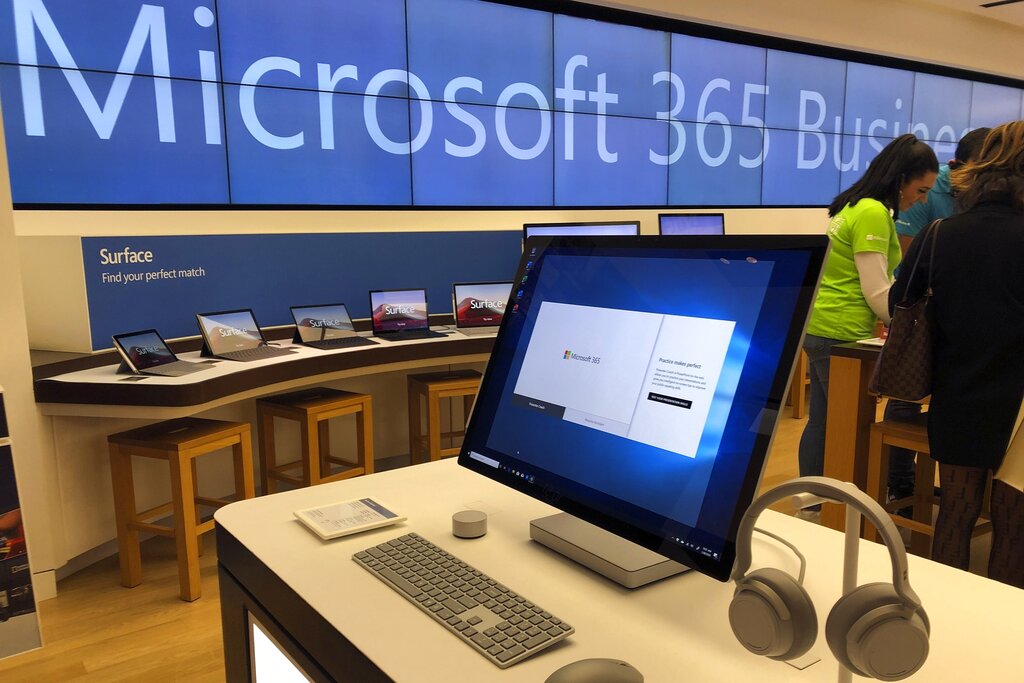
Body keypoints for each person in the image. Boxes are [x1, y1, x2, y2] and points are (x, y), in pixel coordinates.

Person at [891, 121, 1024, 587]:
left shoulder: (940, 233)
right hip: (1019, 412)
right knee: (1013, 528)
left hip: (957, 393)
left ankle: (944, 616)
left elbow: (898, 303)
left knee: (957, 509)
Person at [798, 135, 939, 502]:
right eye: (921, 189)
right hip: (841, 331)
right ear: (901, 179)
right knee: (847, 426)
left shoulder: (854, 205)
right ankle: (831, 505)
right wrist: (912, 324)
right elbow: (878, 291)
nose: (921, 199)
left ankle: (813, 500)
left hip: (821, 324)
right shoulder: (874, 213)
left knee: (823, 422)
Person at [884, 127, 991, 511]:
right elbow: (907, 266)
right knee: (905, 395)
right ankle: (900, 483)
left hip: (971, 328)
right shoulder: (932, 193)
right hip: (932, 317)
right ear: (955, 167)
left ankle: (966, 492)